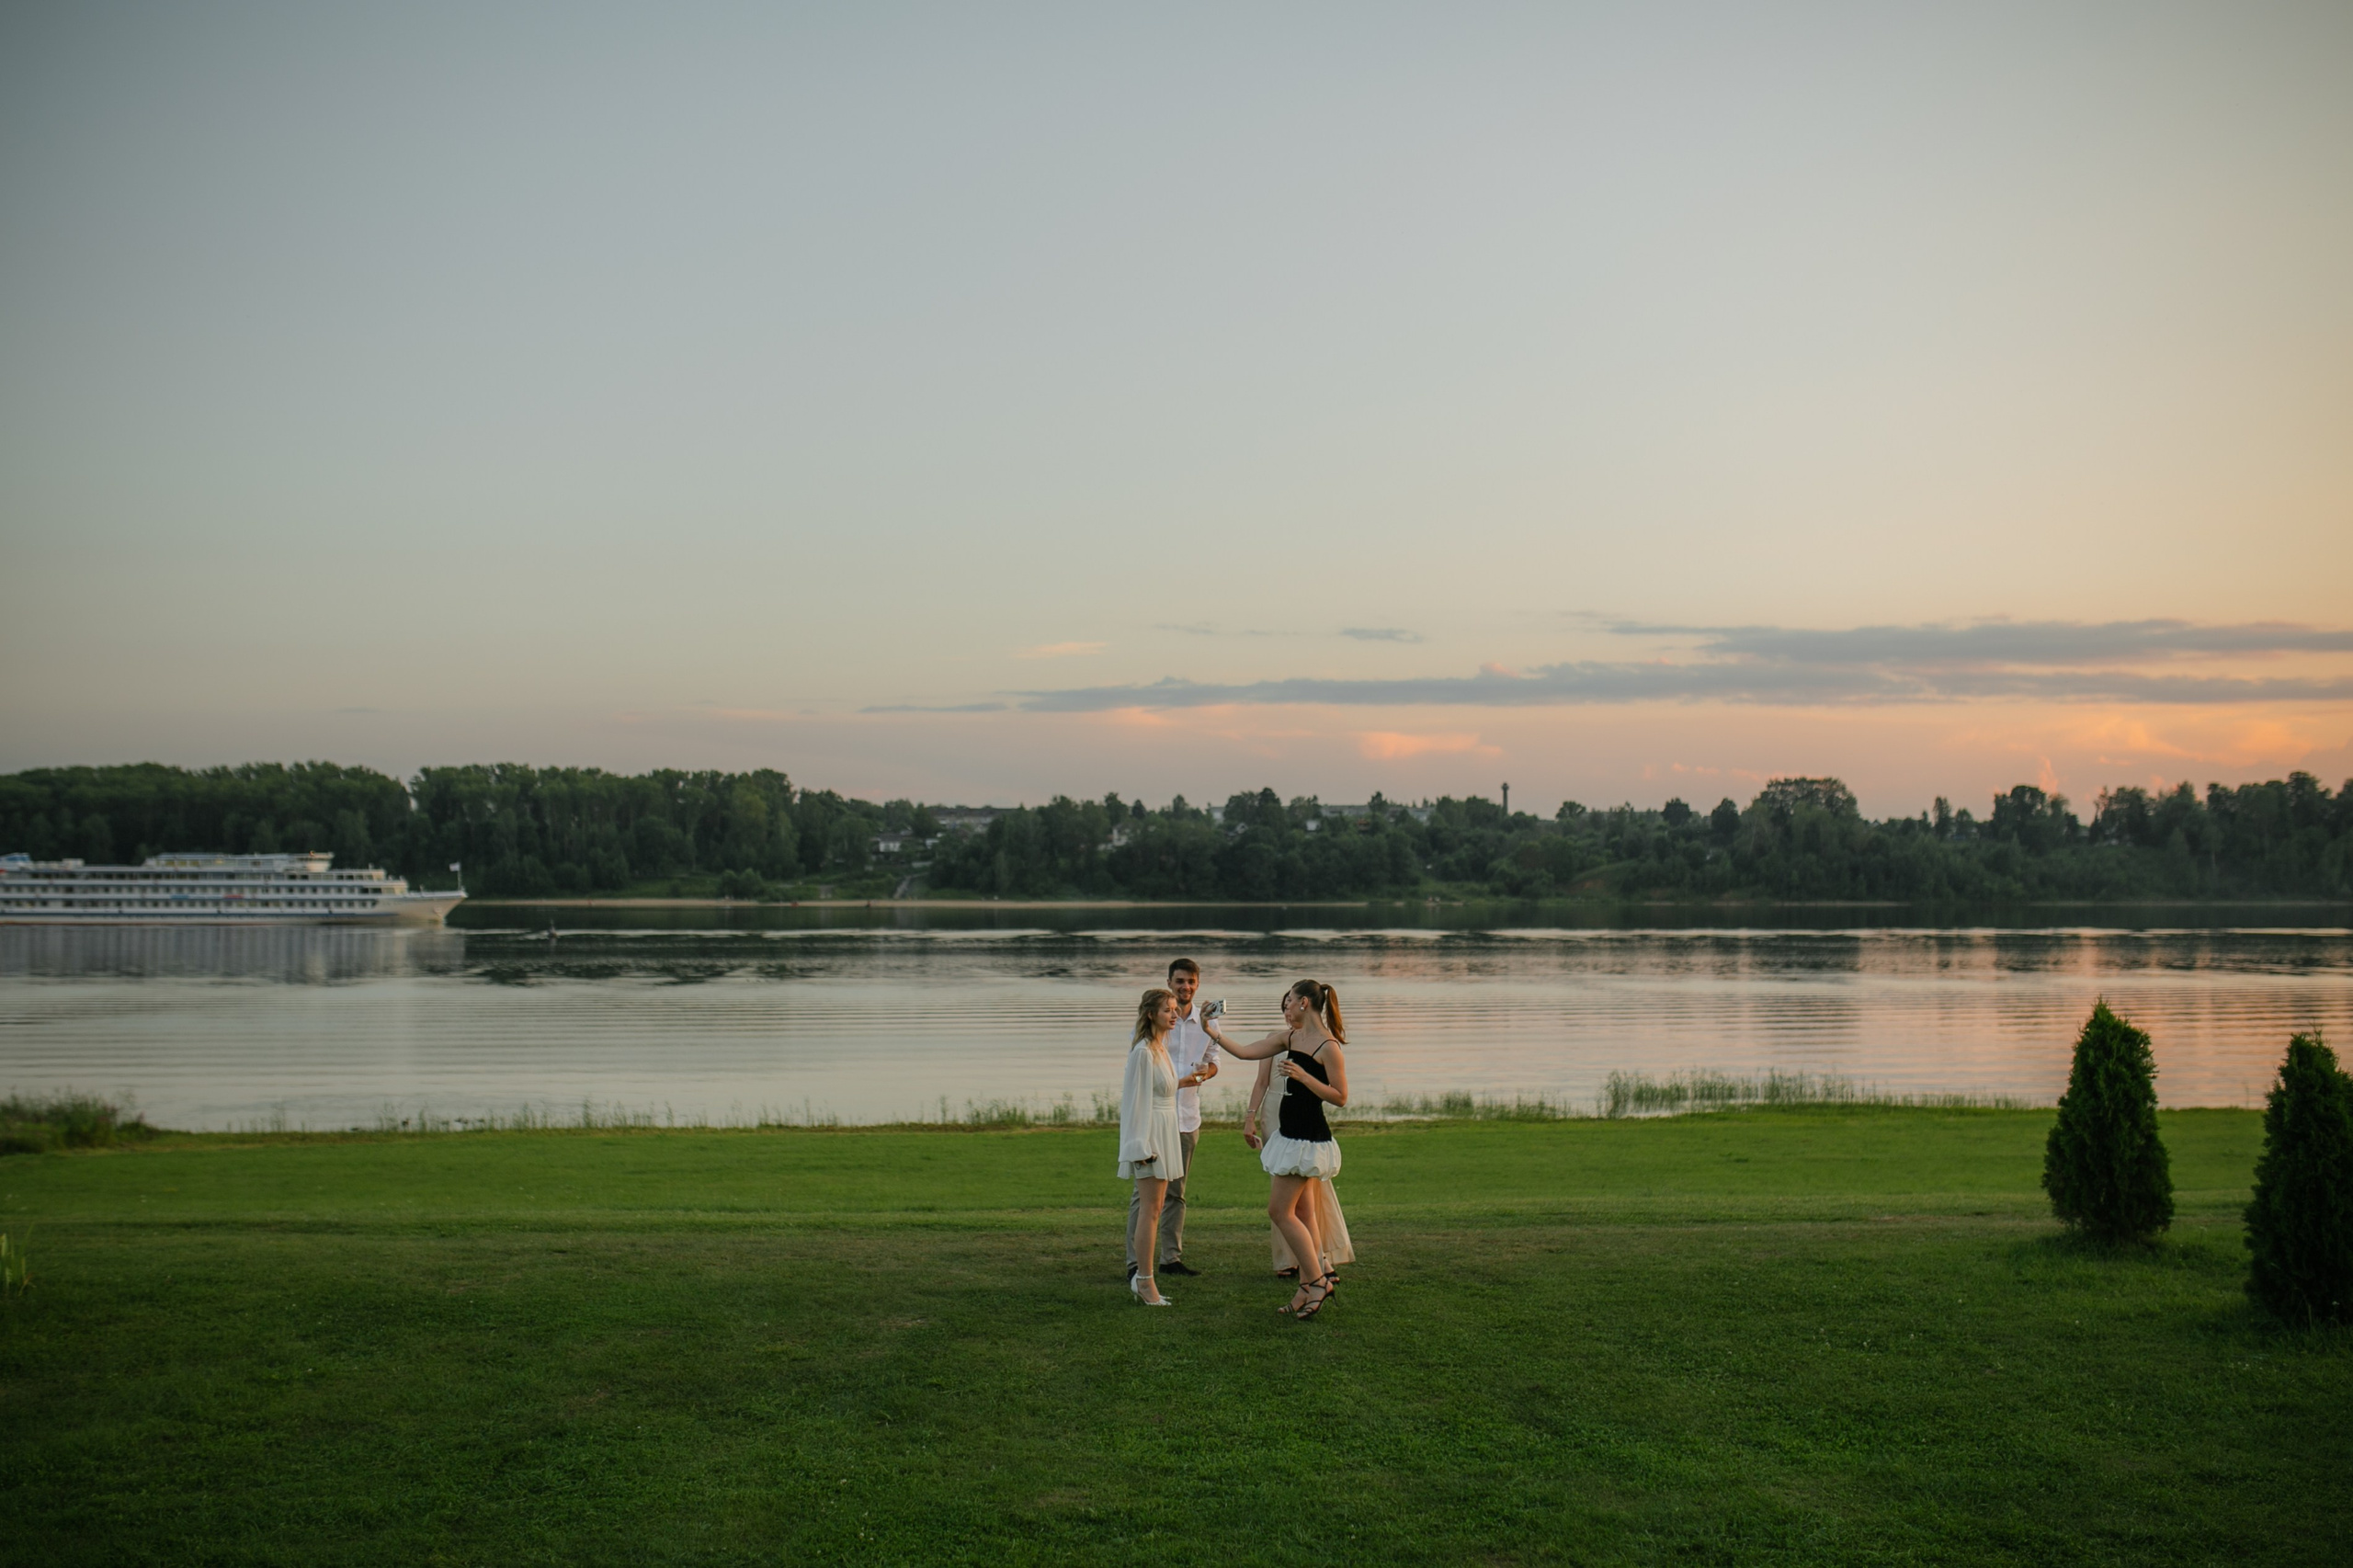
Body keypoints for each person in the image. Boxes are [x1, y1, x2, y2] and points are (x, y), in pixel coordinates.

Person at [1204, 978, 1350, 1320]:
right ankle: (1307, 1285)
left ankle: (1317, 1281)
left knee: (1278, 1211)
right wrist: (1211, 1030)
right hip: (1289, 1135)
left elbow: (1341, 1097)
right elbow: (1244, 1052)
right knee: (1300, 1213)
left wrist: (1303, 1077)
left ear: (1304, 1003)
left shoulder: (1328, 1046)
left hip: (1308, 1139)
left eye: (1289, 1002)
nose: (1284, 1007)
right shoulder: (1290, 1037)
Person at [1129, 958, 1221, 1281]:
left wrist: (1204, 1075)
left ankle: (1171, 1258)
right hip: (1156, 1118)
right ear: (1170, 982)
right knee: (1145, 1196)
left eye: (1191, 981)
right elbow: (1138, 1076)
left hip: (1187, 1117)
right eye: (1180, 981)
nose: (1185, 987)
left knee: (1176, 1193)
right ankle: (1136, 1264)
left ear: (1198, 984)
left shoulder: (1208, 1022)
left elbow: (1214, 1062)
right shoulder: (1155, 1023)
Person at [1117, 987, 1186, 1307]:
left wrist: (1188, 1080)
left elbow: (1163, 1089)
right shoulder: (1143, 1052)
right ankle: (1144, 1281)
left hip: (1165, 1130)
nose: (1174, 1014)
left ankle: (1145, 1280)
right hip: (1151, 1138)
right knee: (1150, 1211)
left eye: (1175, 1008)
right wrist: (1140, 1147)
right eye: (1167, 1010)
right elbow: (1135, 1103)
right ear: (1151, 1015)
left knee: (1156, 1210)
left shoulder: (1161, 1048)